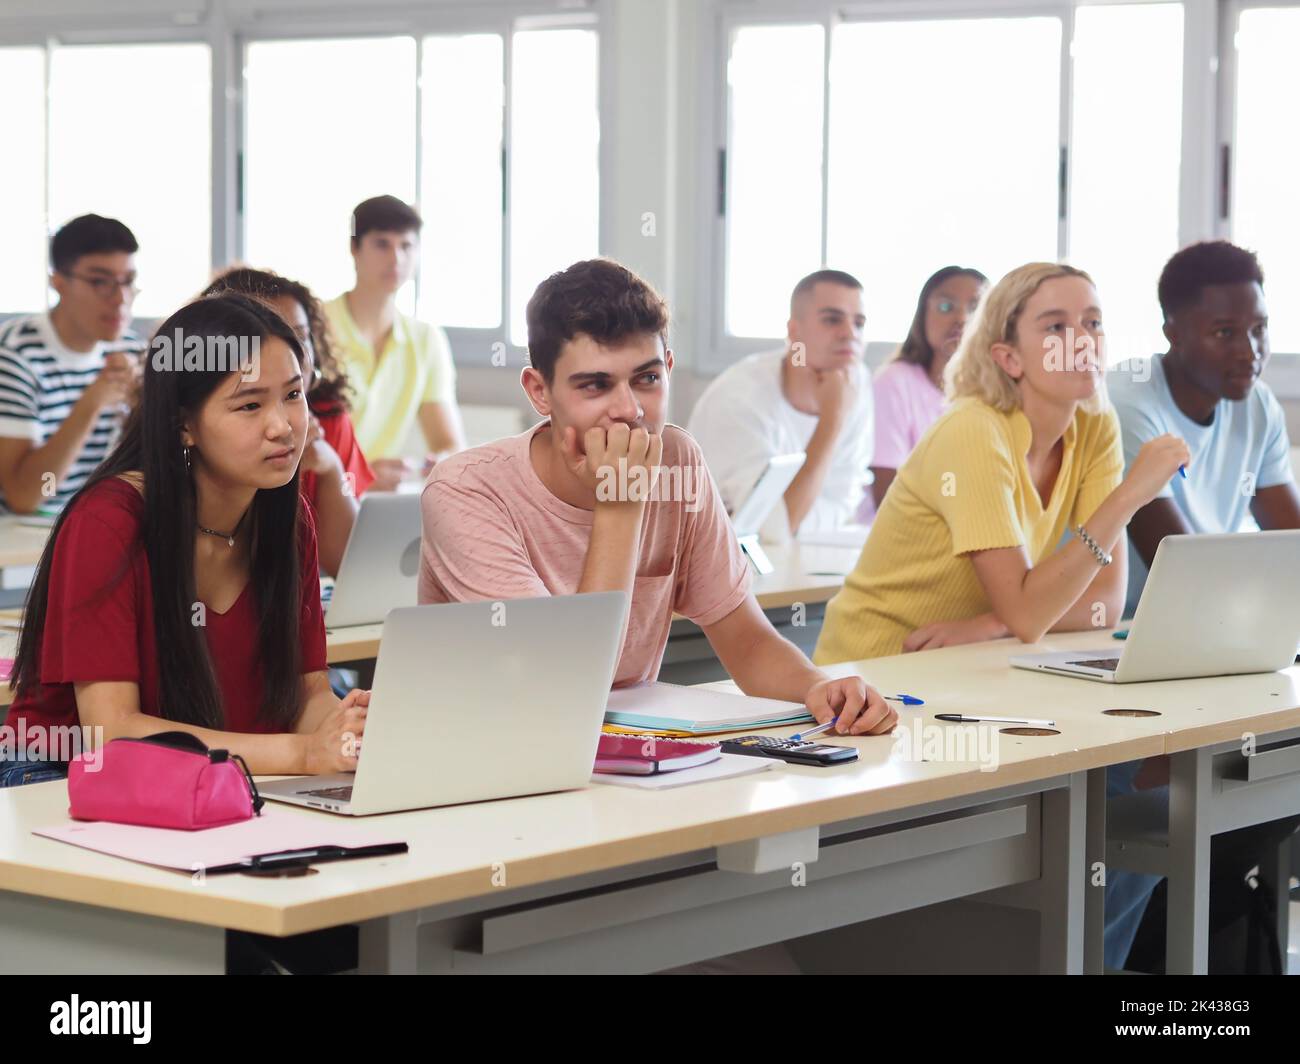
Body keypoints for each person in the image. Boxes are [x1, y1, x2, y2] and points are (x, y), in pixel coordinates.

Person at [420, 258, 895, 737]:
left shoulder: (677, 459)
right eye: (595, 385)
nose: (629, 410)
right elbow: (564, 686)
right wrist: (622, 506)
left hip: (616, 758)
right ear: (539, 391)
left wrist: (817, 687)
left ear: (667, 369)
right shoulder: (465, 490)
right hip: (490, 754)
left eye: (646, 379)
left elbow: (747, 643)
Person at [4, 294, 368, 785]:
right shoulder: (108, 521)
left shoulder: (288, 516)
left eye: (293, 394)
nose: (283, 426)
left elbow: (307, 699)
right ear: (184, 425)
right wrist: (303, 754)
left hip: (222, 776)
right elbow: (110, 733)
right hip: (61, 780)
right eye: (250, 405)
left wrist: (352, 731)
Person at [814, 262, 1189, 666]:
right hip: (876, 668)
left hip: (977, 658)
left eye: (1093, 322)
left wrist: (995, 624)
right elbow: (1029, 616)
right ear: (1009, 358)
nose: (1083, 341)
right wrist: (1129, 495)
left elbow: (1103, 606)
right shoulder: (973, 430)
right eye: (1055, 328)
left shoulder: (1095, 422)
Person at [1108, 240, 1299, 614]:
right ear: (1173, 333)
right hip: (1116, 627)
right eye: (1225, 333)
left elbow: (1292, 542)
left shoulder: (1258, 405)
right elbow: (1182, 569)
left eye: (1259, 328)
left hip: (1205, 617)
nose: (1250, 351)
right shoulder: (1128, 405)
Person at [204, 267, 375, 576]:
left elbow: (351, 570)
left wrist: (331, 467)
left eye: (300, 336)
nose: (290, 351)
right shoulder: (204, 423)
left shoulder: (328, 419)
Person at [688, 269, 873, 537]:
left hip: (796, 554)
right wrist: (833, 420)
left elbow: (843, 499)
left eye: (859, 323)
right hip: (712, 559)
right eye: (832, 320)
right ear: (794, 331)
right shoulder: (740, 398)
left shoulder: (856, 380)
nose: (849, 333)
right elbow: (773, 528)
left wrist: (796, 522)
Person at [0, 215, 144, 513]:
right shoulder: (15, 356)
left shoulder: (132, 351)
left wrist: (140, 405)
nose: (120, 298)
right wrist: (91, 403)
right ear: (59, 282)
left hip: (100, 525)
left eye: (128, 281)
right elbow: (28, 496)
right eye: (99, 282)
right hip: (26, 544)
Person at [324, 195, 465, 491]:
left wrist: (437, 462)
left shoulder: (427, 340)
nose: (396, 258)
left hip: (379, 502)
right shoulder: (315, 326)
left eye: (406, 245)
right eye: (382, 244)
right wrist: (360, 475)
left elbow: (451, 445)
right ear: (354, 248)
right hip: (314, 497)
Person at [866, 266, 985, 512]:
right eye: (945, 307)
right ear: (922, 316)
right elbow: (888, 498)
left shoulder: (998, 393)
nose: (961, 319)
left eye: (975, 308)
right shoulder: (894, 382)